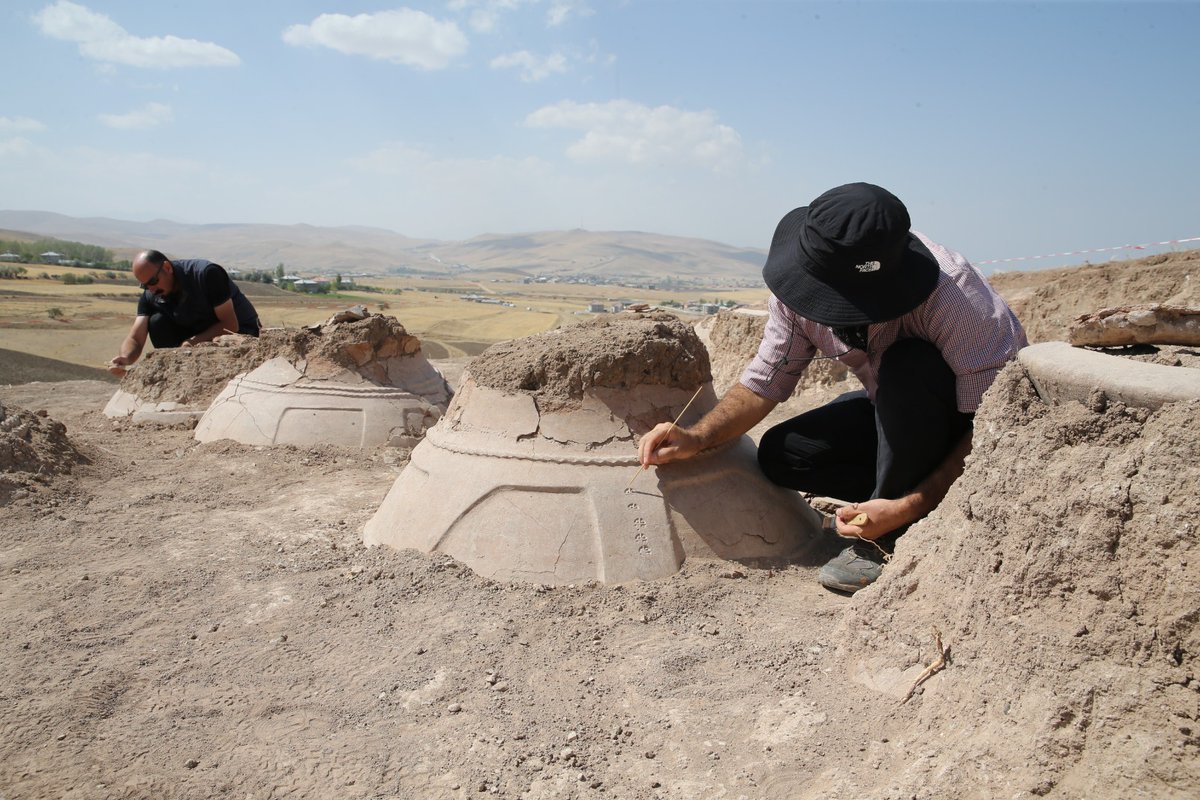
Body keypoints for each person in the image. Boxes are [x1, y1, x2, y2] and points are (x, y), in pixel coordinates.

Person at [638, 182, 1027, 593]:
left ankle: (889, 534)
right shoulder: (802, 276)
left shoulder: (956, 298)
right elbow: (764, 380)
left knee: (907, 364)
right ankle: (887, 498)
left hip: (963, 429)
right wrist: (696, 437)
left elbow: (993, 429)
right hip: (891, 414)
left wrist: (912, 504)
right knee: (783, 455)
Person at [108, 250, 261, 377]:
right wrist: (125, 358)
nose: (151, 289)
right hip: (200, 333)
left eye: (153, 281)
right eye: (144, 285)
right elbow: (136, 337)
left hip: (241, 332)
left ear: (167, 268)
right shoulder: (151, 294)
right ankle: (176, 376)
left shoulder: (206, 274)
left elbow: (230, 325)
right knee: (157, 322)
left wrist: (191, 343)